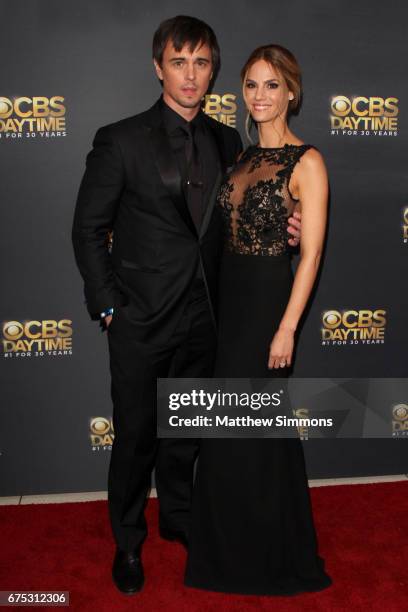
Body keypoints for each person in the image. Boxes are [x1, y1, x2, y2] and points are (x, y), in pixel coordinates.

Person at [72, 17, 301, 595]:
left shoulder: (230, 142)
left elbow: (247, 214)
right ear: (159, 68)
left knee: (187, 430)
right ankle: (127, 541)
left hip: (207, 317)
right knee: (135, 436)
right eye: (179, 62)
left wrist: (287, 227)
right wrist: (108, 306)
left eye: (201, 63)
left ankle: (177, 517)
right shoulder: (119, 139)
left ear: (212, 71)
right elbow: (88, 229)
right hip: (140, 317)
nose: (191, 75)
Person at [184, 44, 332, 595]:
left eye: (272, 85)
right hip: (229, 301)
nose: (261, 96)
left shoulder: (308, 162)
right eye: (251, 85)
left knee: (260, 431)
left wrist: (288, 326)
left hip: (270, 301)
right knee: (227, 434)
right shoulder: (241, 159)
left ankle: (274, 556)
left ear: (291, 91)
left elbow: (311, 254)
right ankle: (224, 553)